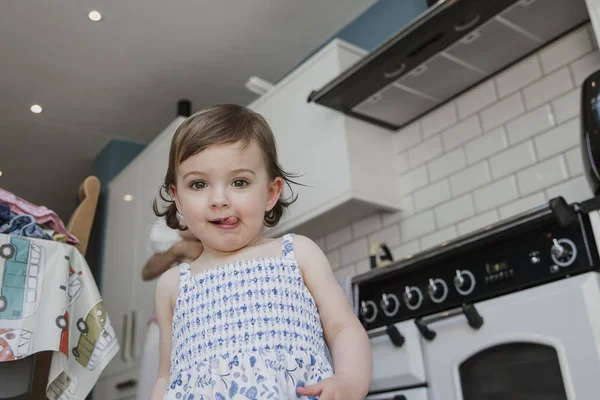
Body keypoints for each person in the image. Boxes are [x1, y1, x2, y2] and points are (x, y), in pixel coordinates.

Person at [149, 104, 372, 400]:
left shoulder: (297, 253)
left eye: (239, 182)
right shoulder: (173, 284)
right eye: (198, 184)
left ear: (270, 193)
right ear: (177, 198)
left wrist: (349, 381)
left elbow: (343, 327)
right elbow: (167, 375)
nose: (219, 199)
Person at [136, 218, 203, 400]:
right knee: (152, 387)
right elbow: (147, 272)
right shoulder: (175, 246)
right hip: (163, 326)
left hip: (199, 330)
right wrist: (177, 249)